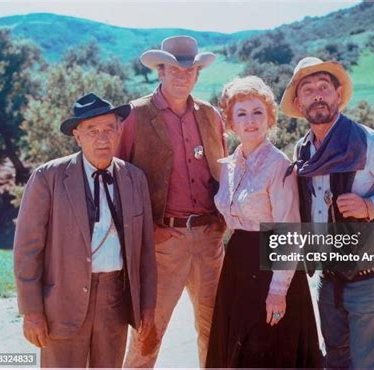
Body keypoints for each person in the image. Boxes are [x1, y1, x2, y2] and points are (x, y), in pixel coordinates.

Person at [280, 57, 374, 369]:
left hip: (371, 276)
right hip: (330, 277)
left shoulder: (368, 142)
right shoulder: (303, 150)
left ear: (337, 94)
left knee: (367, 366)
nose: (317, 94)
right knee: (335, 362)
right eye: (308, 90)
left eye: (324, 87)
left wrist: (370, 207)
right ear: (298, 102)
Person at [13, 93, 156, 368]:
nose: (102, 138)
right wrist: (31, 311)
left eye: (109, 129)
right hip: (61, 303)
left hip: (114, 302)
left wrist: (147, 305)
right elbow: (27, 249)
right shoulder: (48, 178)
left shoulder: (135, 179)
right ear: (77, 136)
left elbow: (146, 251)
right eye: (92, 131)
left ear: (120, 131)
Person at [118, 35, 227, 367]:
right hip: (162, 241)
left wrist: (222, 224)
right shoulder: (134, 116)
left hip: (209, 239)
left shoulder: (210, 116)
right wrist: (146, 231)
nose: (183, 75)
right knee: (147, 332)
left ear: (197, 74)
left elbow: (224, 170)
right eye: (174, 69)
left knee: (215, 330)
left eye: (190, 69)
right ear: (160, 72)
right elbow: (118, 179)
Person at [205, 76, 322, 368]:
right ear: (230, 122)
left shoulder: (278, 165)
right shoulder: (230, 165)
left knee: (267, 349)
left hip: (272, 268)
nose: (250, 121)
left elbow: (290, 232)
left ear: (269, 117)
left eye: (258, 112)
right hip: (238, 266)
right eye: (241, 114)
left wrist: (277, 291)